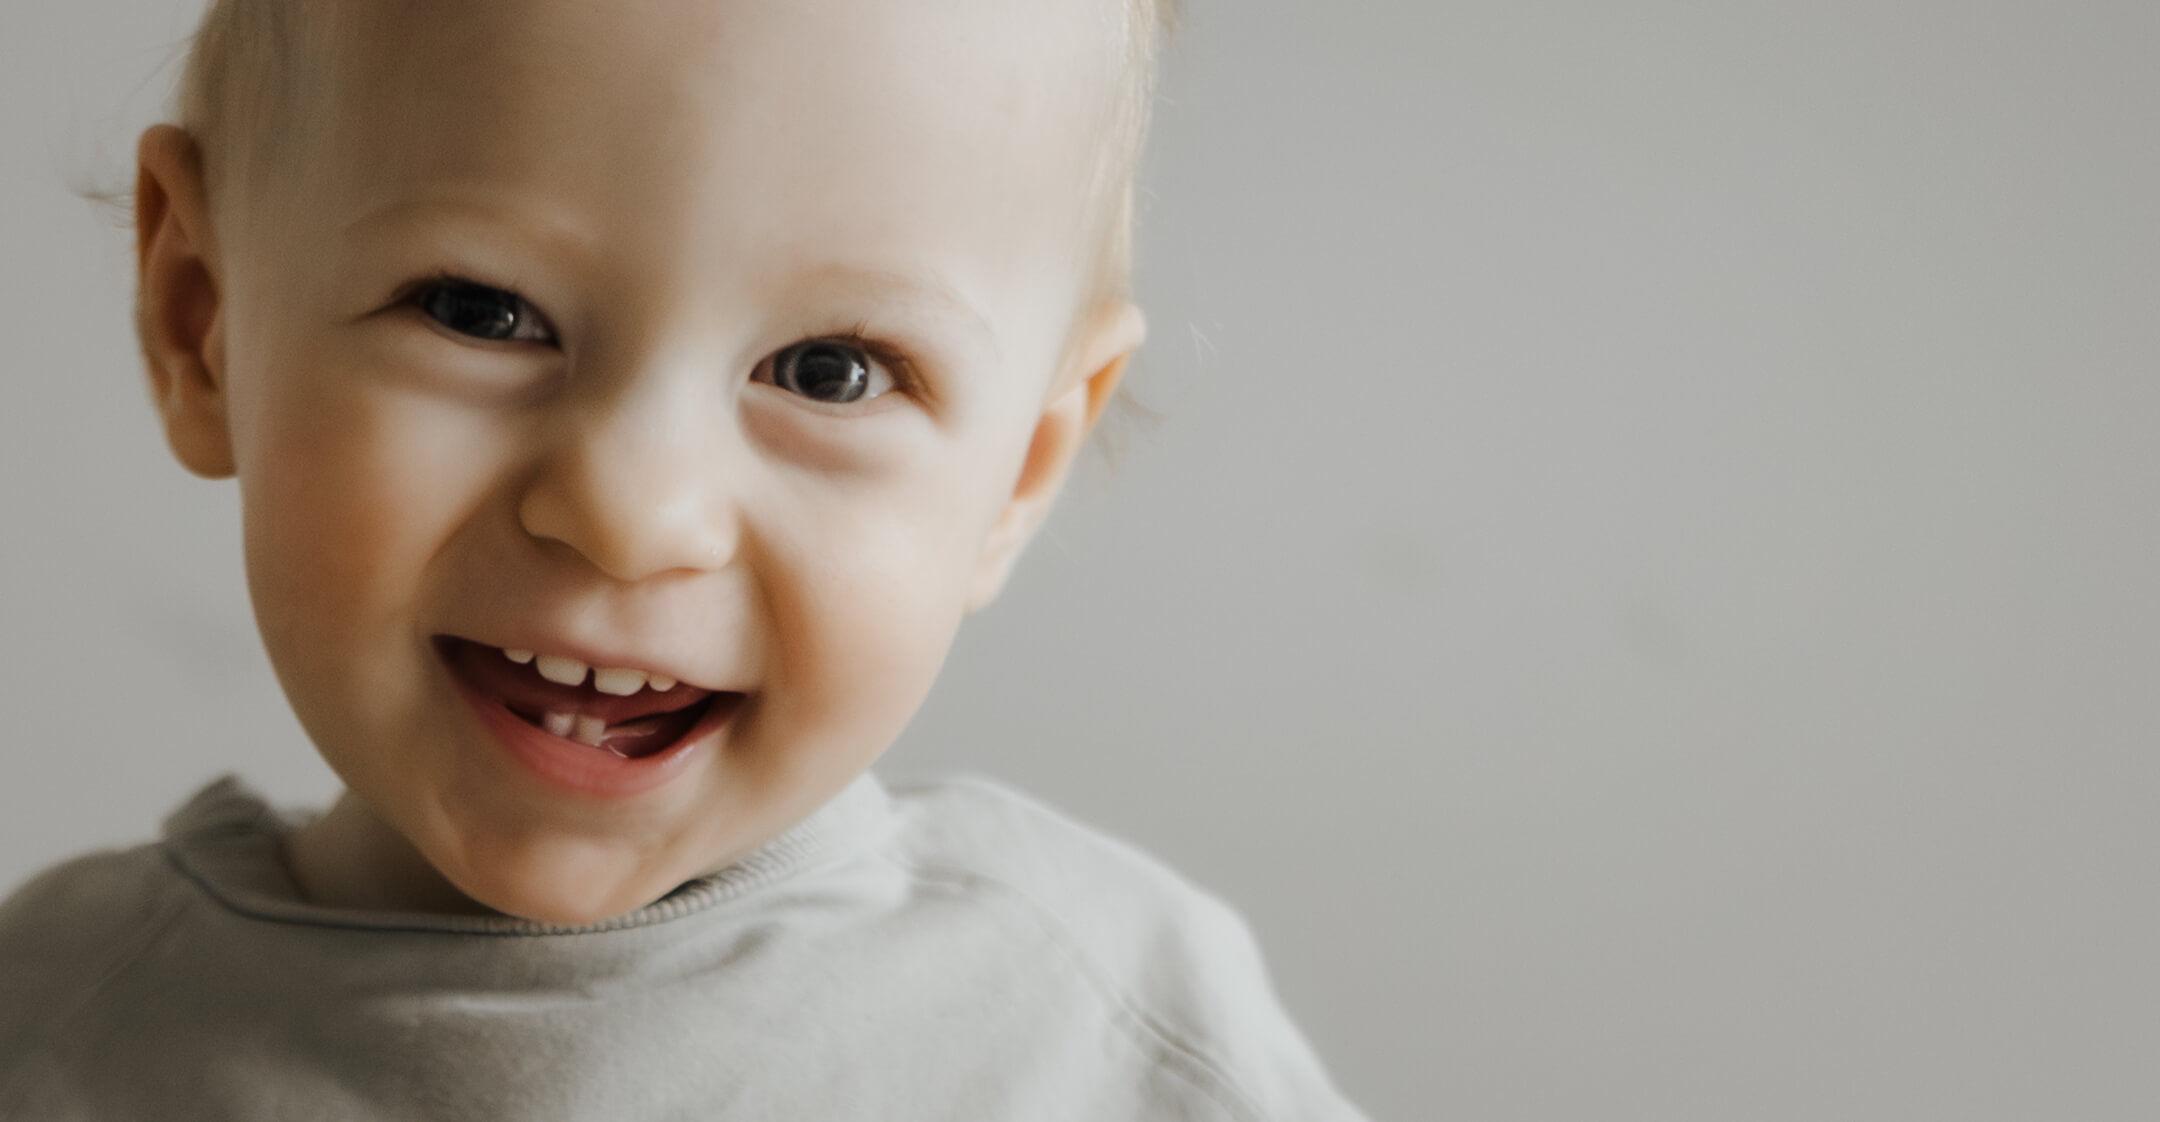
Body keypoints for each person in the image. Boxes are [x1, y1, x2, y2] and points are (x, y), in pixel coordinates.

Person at [0, 0, 1369, 1117]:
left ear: (1018, 469)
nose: (632, 512)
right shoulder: (52, 1026)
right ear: (205, 319)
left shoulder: (1113, 1037)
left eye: (830, 371)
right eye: (485, 310)